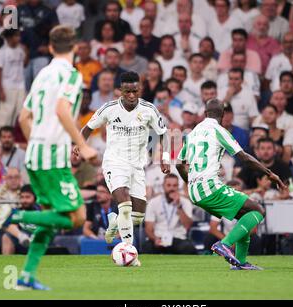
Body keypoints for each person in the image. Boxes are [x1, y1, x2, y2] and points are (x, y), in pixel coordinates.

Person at [11, 26, 98, 290]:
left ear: (50, 47)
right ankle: (12, 216)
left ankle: (26, 275)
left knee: (50, 218)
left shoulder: (43, 73)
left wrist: (37, 141)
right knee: (78, 217)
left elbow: (23, 118)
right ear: (75, 48)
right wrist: (82, 145)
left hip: (35, 154)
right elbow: (62, 110)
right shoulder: (71, 75)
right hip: (51, 157)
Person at [176, 98, 287, 270]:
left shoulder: (192, 134)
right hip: (209, 186)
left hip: (194, 190)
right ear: (223, 115)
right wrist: (269, 173)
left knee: (245, 216)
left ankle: (240, 262)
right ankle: (225, 244)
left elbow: (179, 164)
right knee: (258, 210)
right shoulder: (219, 131)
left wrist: (191, 182)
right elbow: (243, 157)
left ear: (205, 114)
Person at [80, 71, 170, 265]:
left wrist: (164, 157)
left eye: (134, 91)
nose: (131, 95)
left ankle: (115, 221)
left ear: (140, 89)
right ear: (120, 91)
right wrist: (79, 145)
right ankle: (130, 255)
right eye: (127, 91)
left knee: (136, 216)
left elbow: (164, 133)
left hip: (138, 166)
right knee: (126, 206)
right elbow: (87, 128)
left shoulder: (149, 110)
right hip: (114, 163)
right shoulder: (109, 109)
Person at [143, 174, 196, 254]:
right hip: (159, 237)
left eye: (175, 185)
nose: (172, 188)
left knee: (189, 248)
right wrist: (155, 239)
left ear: (178, 187)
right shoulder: (153, 202)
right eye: (169, 185)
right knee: (146, 247)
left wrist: (179, 206)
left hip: (178, 238)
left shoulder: (185, 202)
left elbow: (187, 226)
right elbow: (148, 228)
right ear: (163, 186)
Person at [0, 28, 27, 143]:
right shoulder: (2, 52)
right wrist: (0, 90)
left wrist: (26, 51)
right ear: (8, 38)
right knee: (5, 114)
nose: (18, 38)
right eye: (16, 36)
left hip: (20, 86)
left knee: (18, 113)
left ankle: (12, 139)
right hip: (7, 86)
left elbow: (25, 64)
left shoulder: (20, 50)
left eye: (19, 36)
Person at [1, 184, 40, 255]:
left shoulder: (41, 211)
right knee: (6, 236)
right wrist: (20, 235)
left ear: (34, 198)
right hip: (21, 242)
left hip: (38, 240)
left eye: (28, 197)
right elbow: (6, 226)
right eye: (22, 197)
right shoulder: (16, 211)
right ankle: (7, 264)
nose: (24, 200)